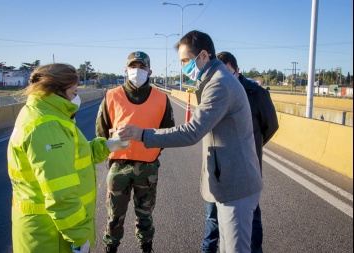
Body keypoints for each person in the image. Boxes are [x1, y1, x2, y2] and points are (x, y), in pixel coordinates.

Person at [119, 31, 263, 253]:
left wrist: (143, 135)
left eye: (186, 60)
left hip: (237, 184)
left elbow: (192, 131)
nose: (183, 67)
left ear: (204, 55)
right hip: (230, 182)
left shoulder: (219, 85)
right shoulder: (214, 80)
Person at [7, 63, 125, 253]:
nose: (76, 97)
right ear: (56, 91)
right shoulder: (47, 126)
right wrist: (79, 237)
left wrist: (107, 145)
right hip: (52, 238)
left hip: (46, 232)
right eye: (74, 91)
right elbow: (60, 193)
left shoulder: (41, 113)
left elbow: (73, 158)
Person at [95, 51, 175, 253]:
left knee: (145, 215)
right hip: (118, 166)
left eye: (142, 67)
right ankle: (111, 247)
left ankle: (146, 247)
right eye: (133, 67)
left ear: (149, 71)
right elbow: (101, 133)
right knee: (114, 215)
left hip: (148, 167)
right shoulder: (111, 96)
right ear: (126, 70)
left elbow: (168, 133)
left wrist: (152, 151)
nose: (137, 71)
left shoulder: (161, 99)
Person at [201, 52, 279, 253]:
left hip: (244, 171)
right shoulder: (211, 90)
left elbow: (270, 126)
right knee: (212, 221)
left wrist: (249, 149)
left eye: (228, 72)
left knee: (251, 222)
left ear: (237, 70)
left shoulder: (256, 93)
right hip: (217, 173)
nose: (223, 78)